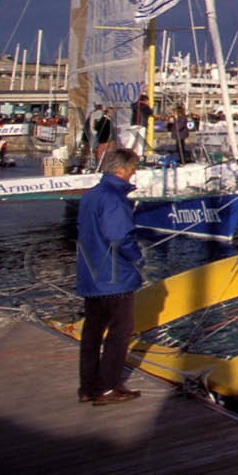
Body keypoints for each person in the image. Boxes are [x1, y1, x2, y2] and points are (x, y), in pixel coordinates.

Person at [77, 147, 145, 405]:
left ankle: (88, 386)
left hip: (91, 274)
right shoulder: (114, 199)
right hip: (114, 277)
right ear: (122, 169)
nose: (134, 174)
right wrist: (138, 256)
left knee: (93, 333)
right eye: (133, 169)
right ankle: (106, 388)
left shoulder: (90, 196)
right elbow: (120, 237)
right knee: (119, 333)